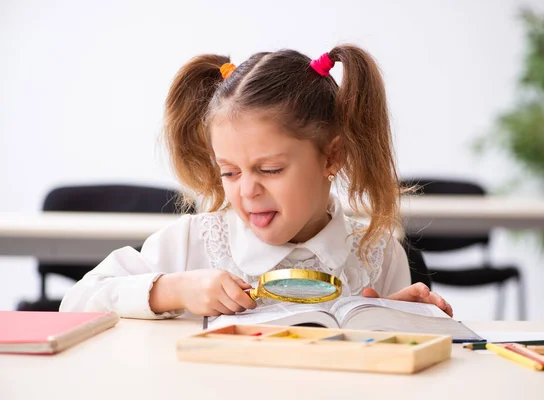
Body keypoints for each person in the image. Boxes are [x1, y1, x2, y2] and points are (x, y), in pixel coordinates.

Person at [60, 45, 453, 319]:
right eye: (229, 172)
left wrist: (400, 322)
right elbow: (75, 304)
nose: (247, 192)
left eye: (270, 170)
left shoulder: (377, 253)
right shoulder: (190, 244)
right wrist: (173, 291)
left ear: (331, 156)